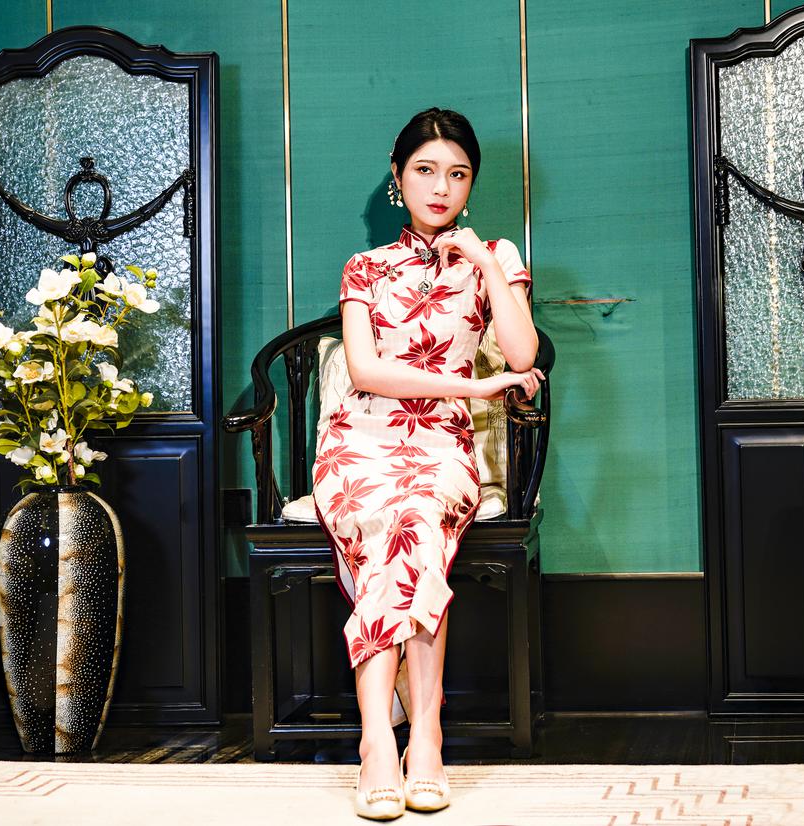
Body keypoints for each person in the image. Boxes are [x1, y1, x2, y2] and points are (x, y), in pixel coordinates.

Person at [311, 107, 544, 820]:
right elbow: (366, 372)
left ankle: (406, 738)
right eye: (425, 171)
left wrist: (483, 264)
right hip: (359, 441)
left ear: (471, 183)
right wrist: (476, 388)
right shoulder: (365, 267)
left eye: (457, 174)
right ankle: (396, 743)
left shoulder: (495, 256)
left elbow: (523, 353)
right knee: (392, 517)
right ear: (398, 176)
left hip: (441, 444)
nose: (441, 188)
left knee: (412, 515)